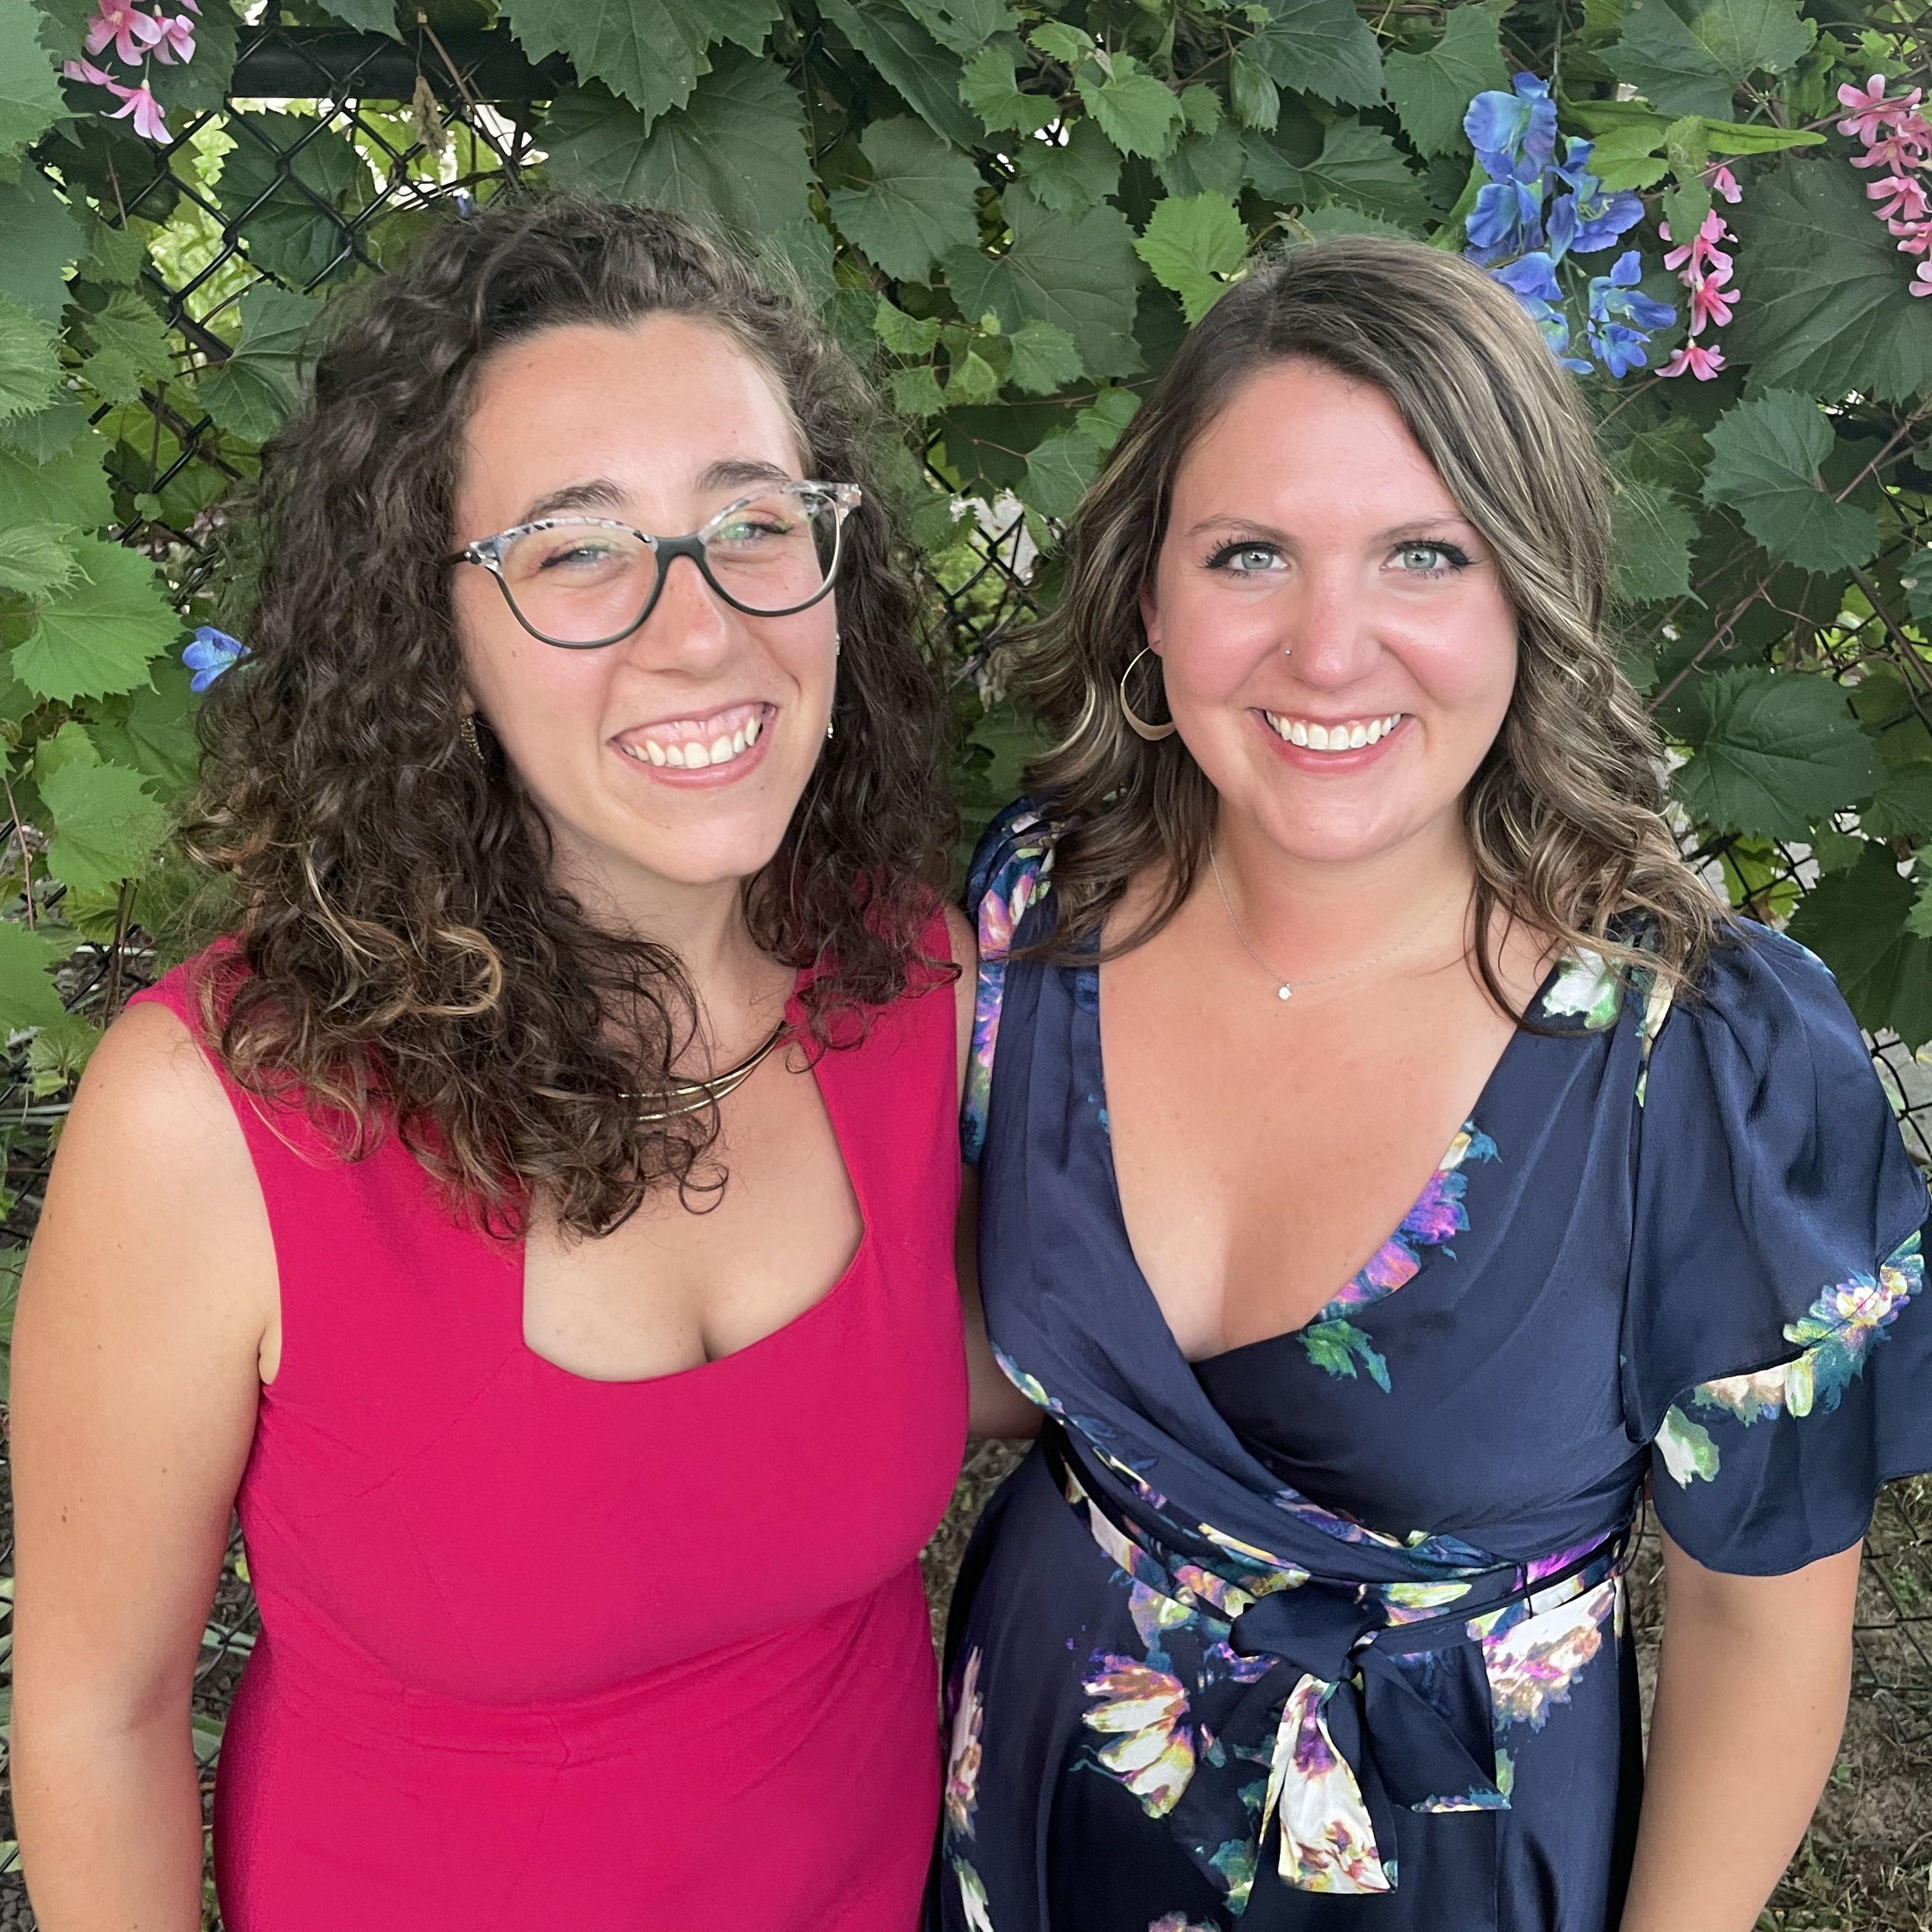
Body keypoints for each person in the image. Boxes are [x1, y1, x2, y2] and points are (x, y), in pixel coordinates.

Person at [936, 236, 1932, 1932]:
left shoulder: (1697, 1060)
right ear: (1151, 597)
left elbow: (1761, 1632)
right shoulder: (1039, 912)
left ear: (1528, 599)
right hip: (1039, 1774)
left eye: (1424, 555)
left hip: (1433, 1863)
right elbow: (1000, 1365)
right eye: (1251, 554)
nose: (1330, 651)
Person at [12, 195, 976, 1931]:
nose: (701, 629)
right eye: (578, 552)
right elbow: (100, 1717)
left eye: (755, 522)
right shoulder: (225, 1115)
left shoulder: (910, 982)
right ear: (431, 632)